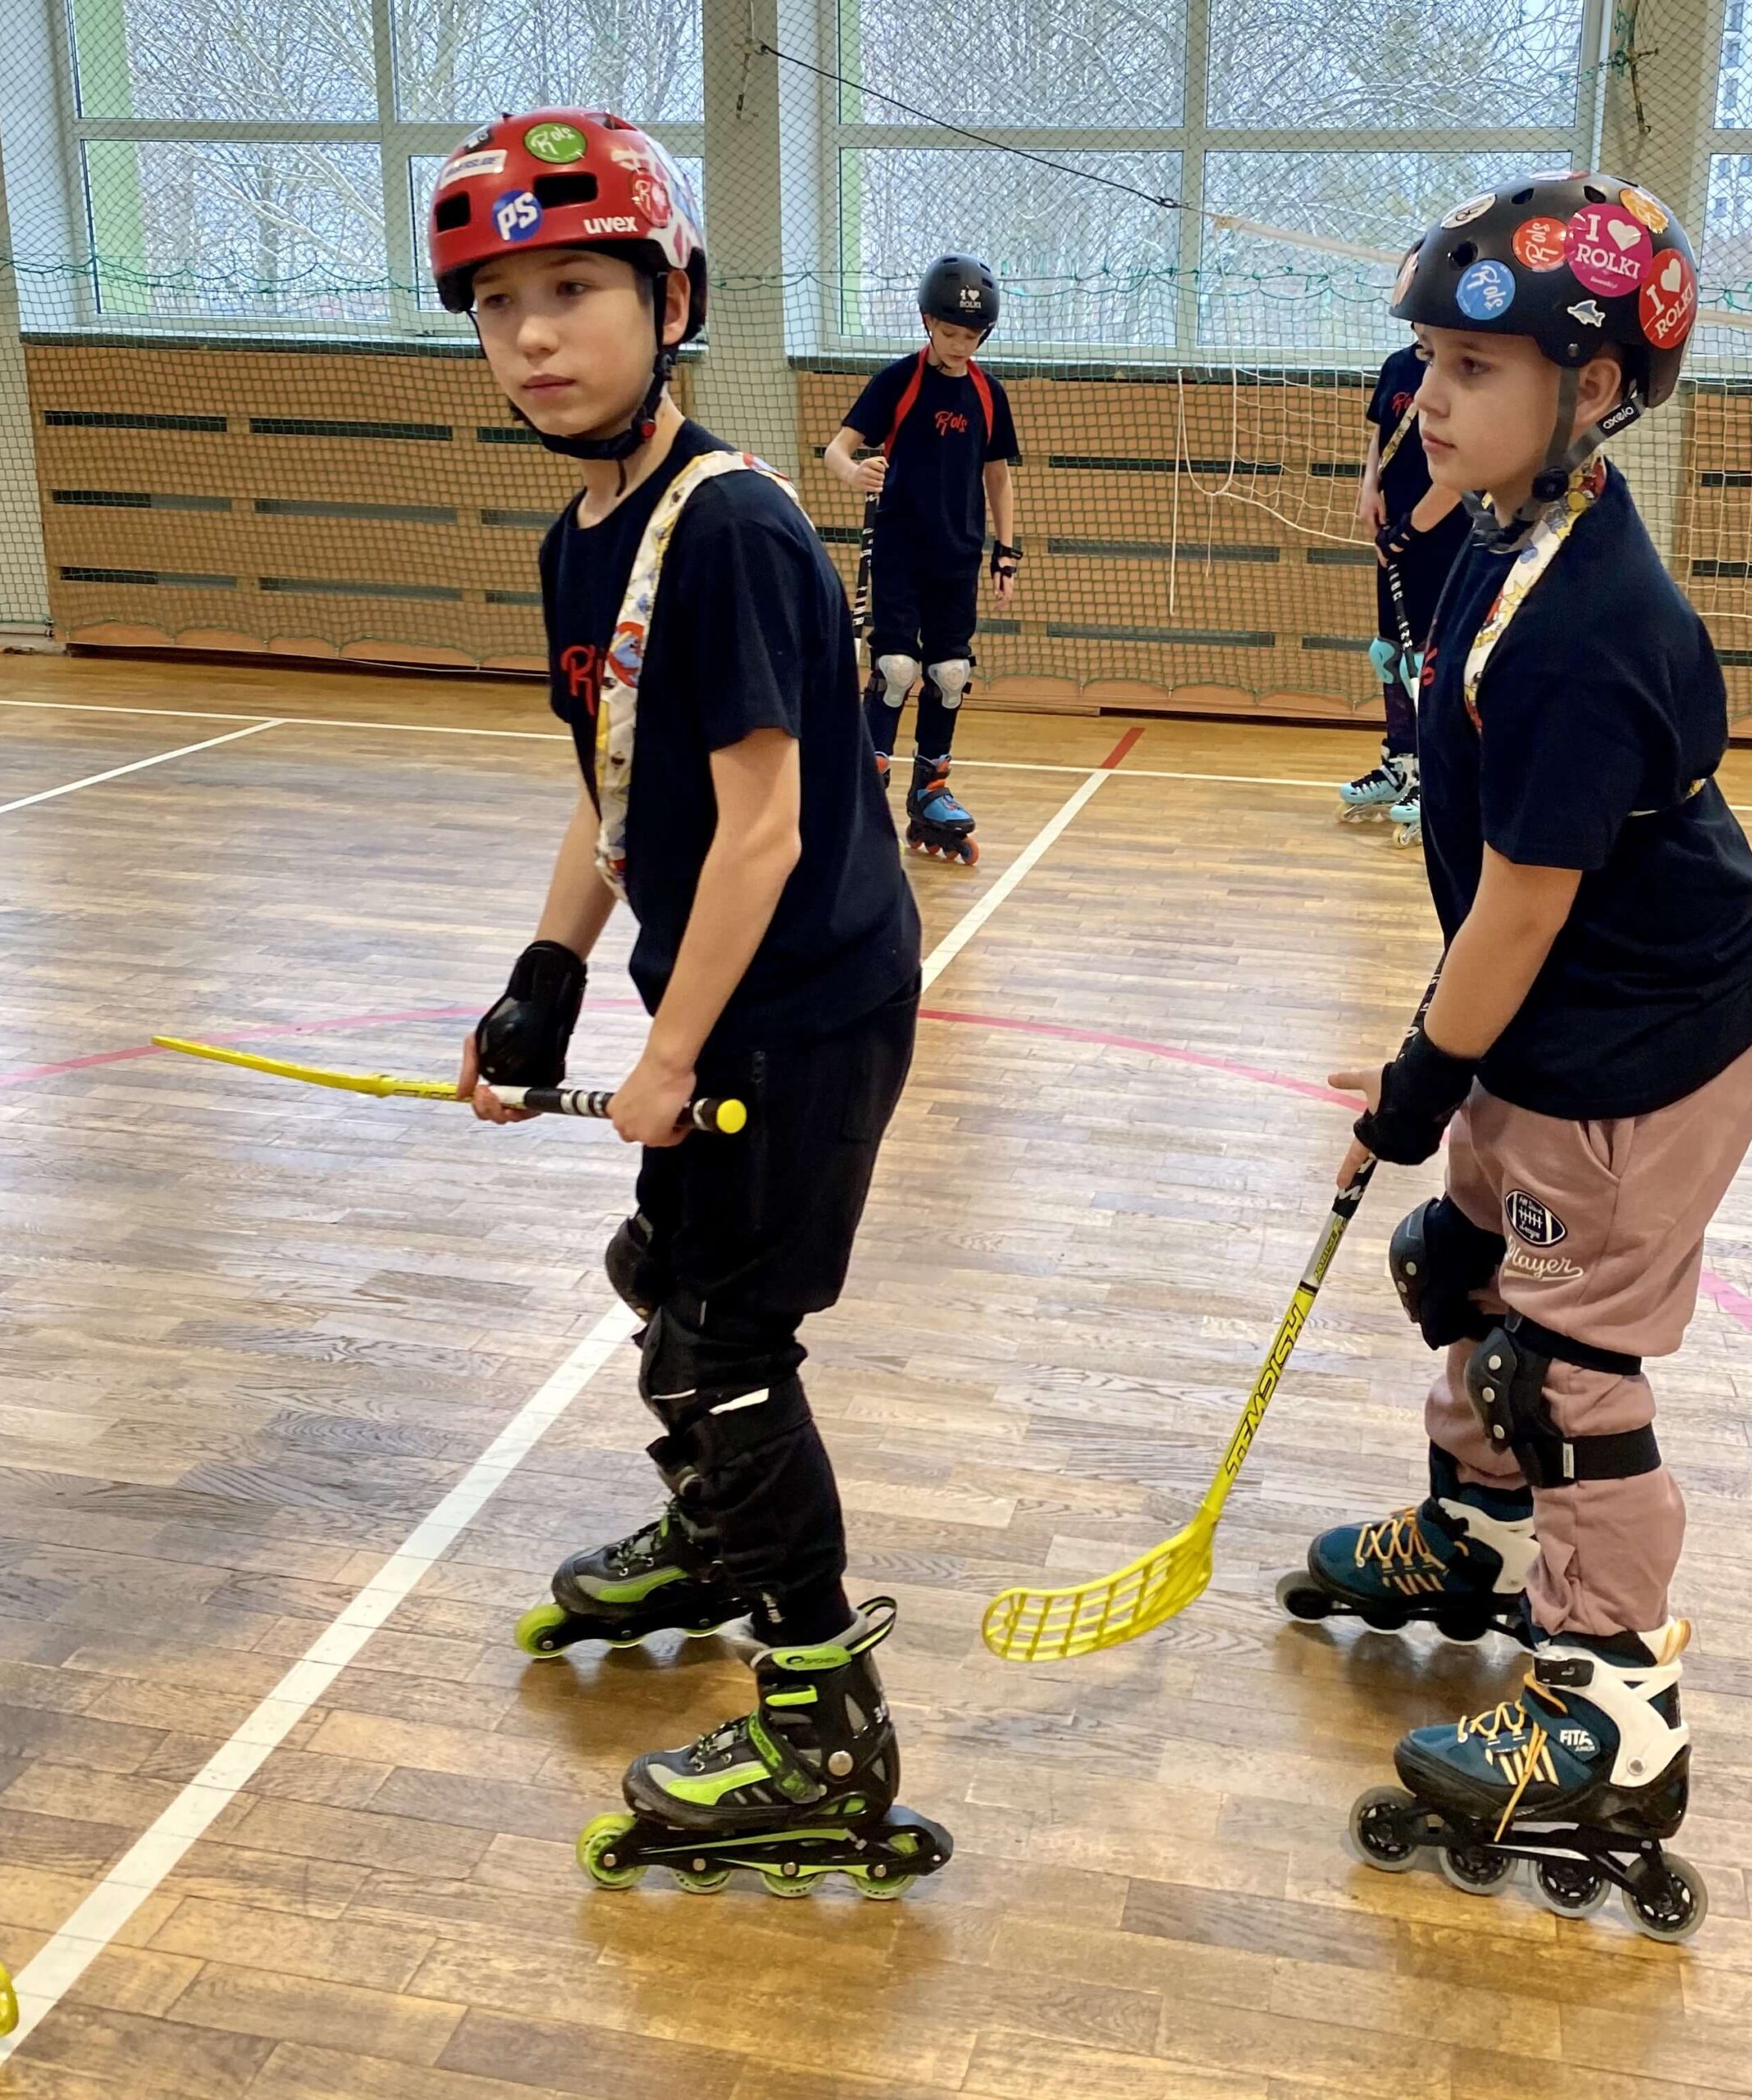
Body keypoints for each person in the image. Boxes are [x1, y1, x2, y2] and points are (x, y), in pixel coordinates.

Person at [426, 107, 950, 1898]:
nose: (534, 337)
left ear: (671, 301)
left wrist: (666, 1052)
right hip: (725, 992)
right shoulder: (583, 535)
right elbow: (615, 785)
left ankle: (822, 1724)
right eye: (498, 308)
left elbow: (762, 829)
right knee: (663, 1278)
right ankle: (722, 1539)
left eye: (573, 290)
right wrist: (544, 978)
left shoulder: (721, 528)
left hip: (801, 1006)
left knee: (728, 1346)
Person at [1288, 174, 1752, 1942]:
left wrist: (1416, 1084)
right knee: (1464, 1267)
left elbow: (1516, 904)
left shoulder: (1590, 624)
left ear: (1592, 390)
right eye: (1425, 360)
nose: (1428, 398)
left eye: (1474, 369)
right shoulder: (1514, 538)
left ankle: (1613, 1700)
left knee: (1567, 1364)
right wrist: (1419, 507)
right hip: (1557, 1021)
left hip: (1638, 1048)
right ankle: (1477, 1536)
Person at [824, 254, 1020, 866]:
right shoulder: (898, 381)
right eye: (950, 332)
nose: (960, 345)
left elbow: (998, 477)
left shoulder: (988, 394)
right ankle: (865, 782)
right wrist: (854, 473)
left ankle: (930, 791)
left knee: (951, 673)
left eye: (972, 336)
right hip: (900, 550)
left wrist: (1006, 552)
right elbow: (836, 450)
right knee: (897, 666)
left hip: (959, 555)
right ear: (927, 322)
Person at [1340, 247, 1467, 835]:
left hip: (1441, 533)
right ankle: (1401, 762)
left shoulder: (1460, 374)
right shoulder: (1396, 366)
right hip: (1393, 531)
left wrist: (1413, 527)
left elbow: (1461, 470)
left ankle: (1435, 777)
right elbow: (1381, 437)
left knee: (1427, 659)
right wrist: (1370, 489)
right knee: (1389, 651)